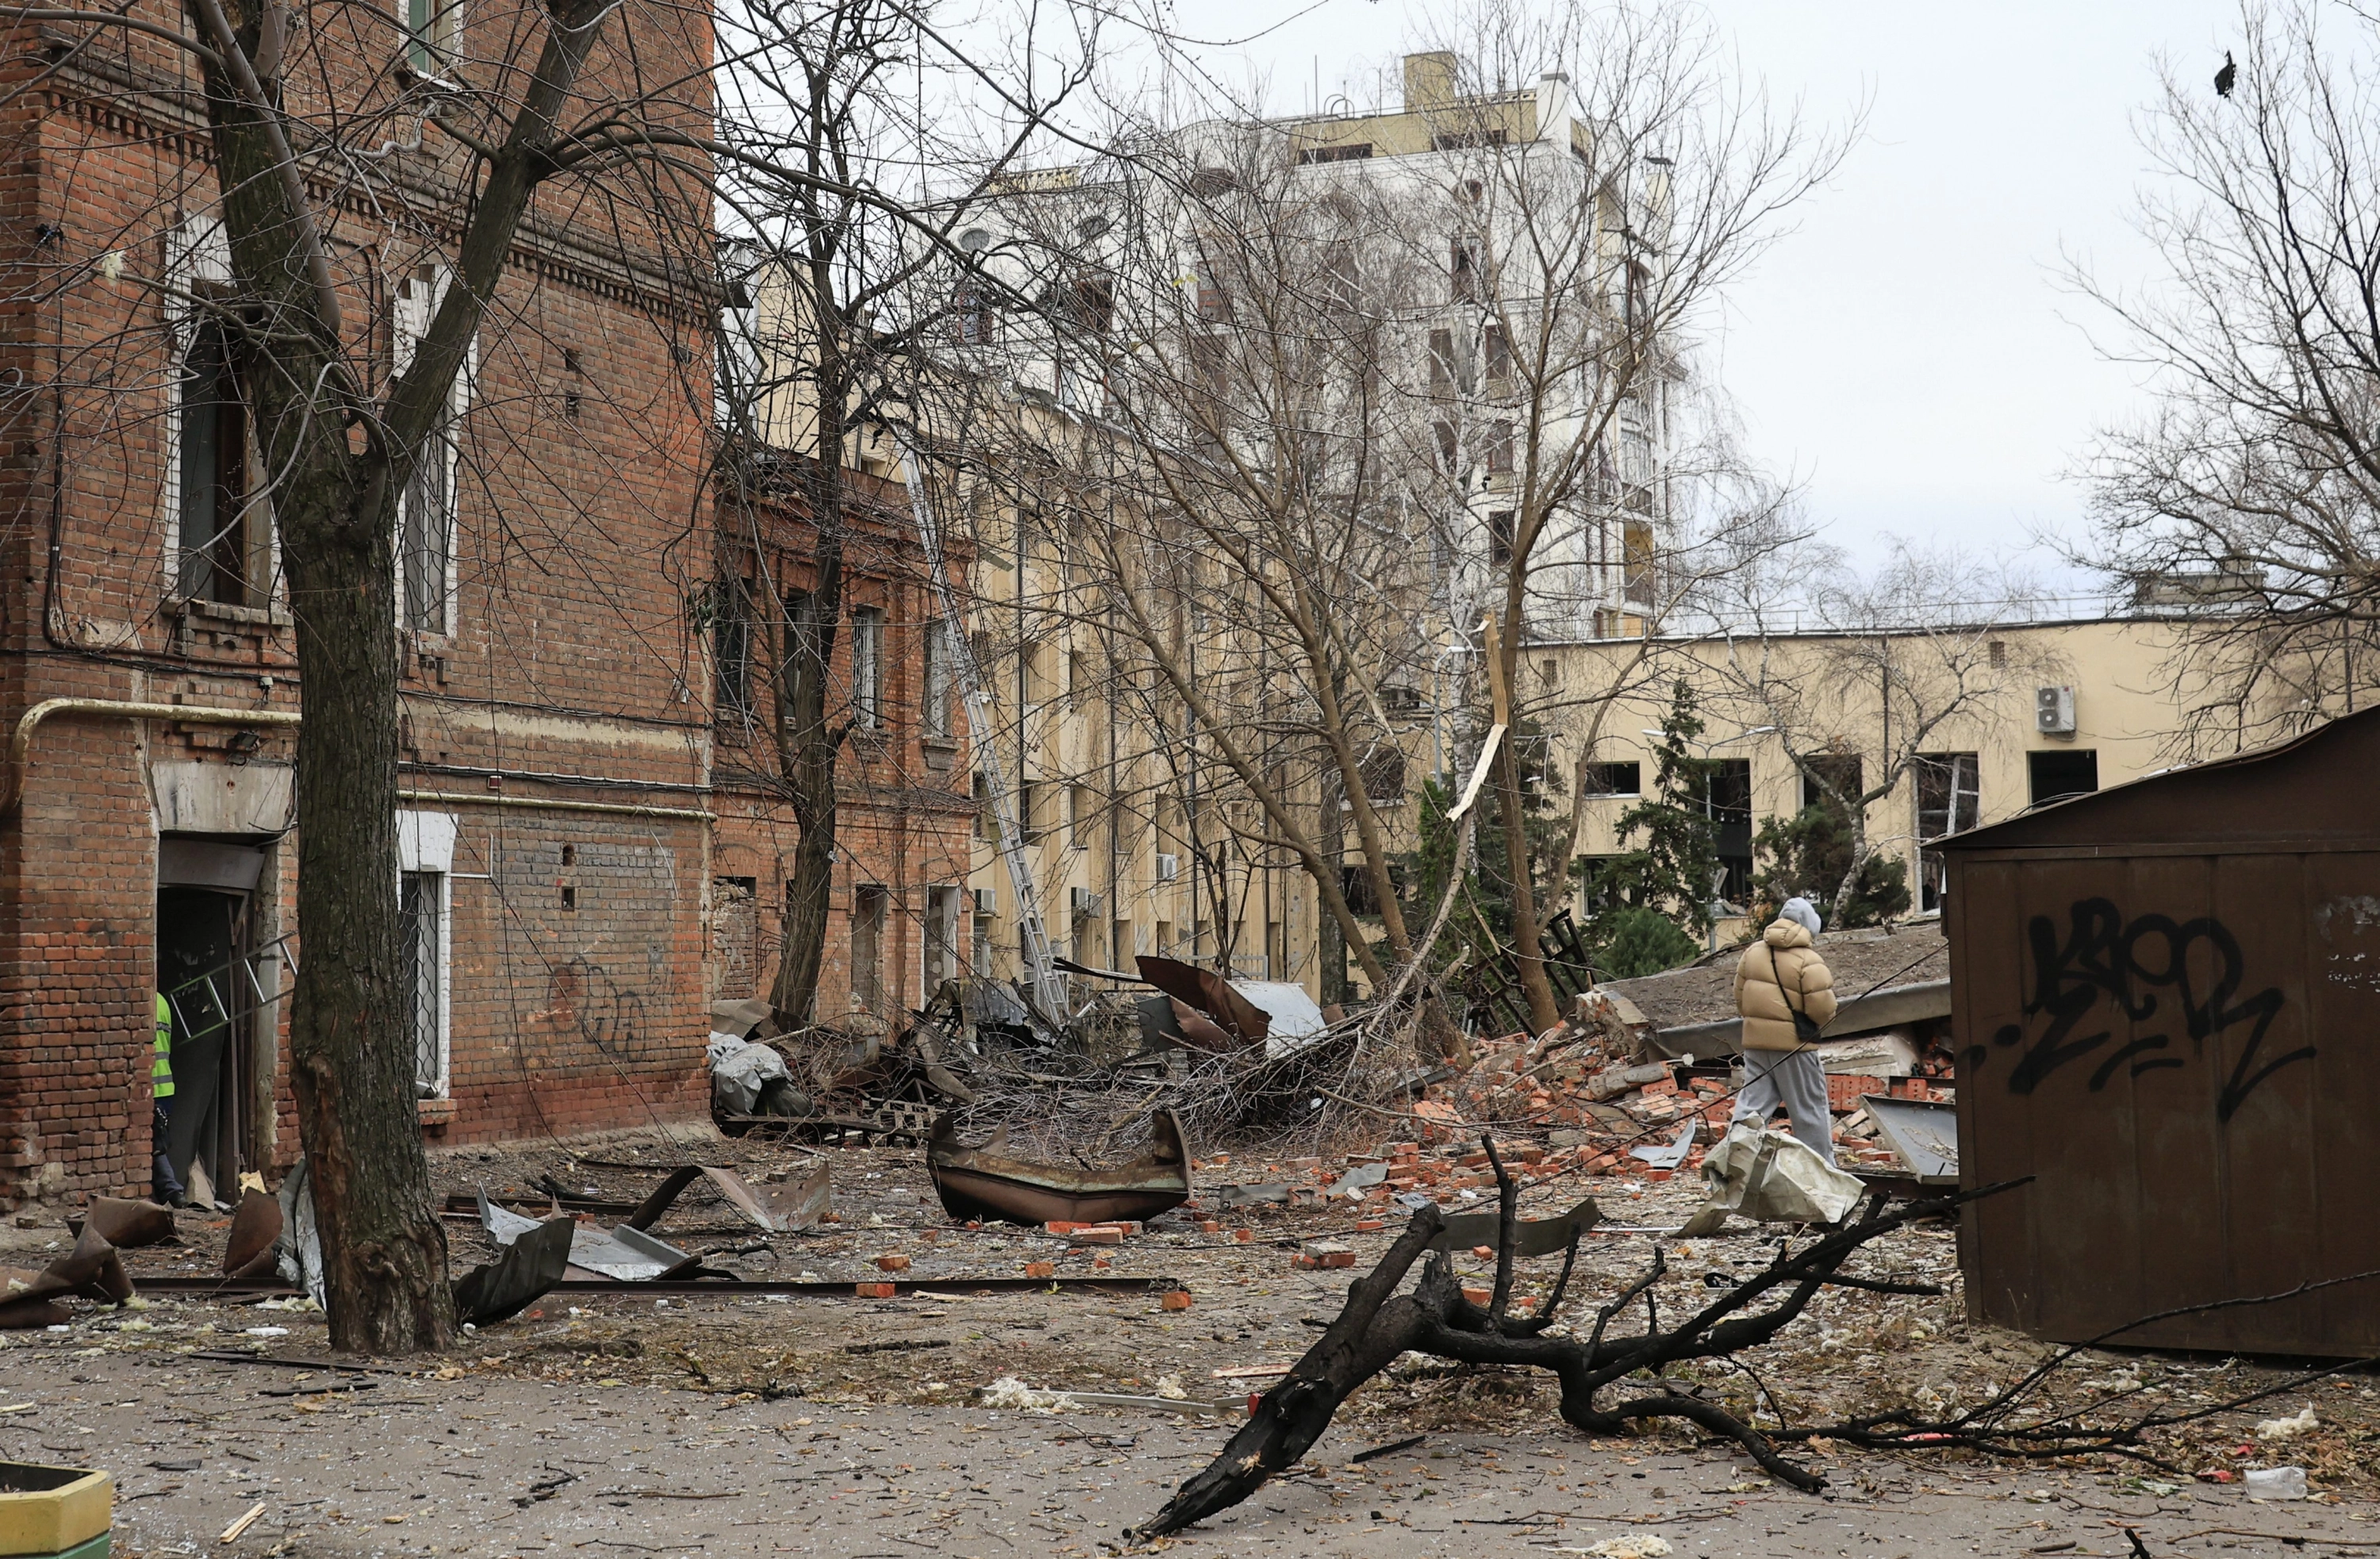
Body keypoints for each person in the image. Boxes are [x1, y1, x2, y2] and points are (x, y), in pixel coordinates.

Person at [1730, 896, 1841, 1165]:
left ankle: (1731, 1167)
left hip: (1756, 1045)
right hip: (1795, 1048)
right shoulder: (1808, 959)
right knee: (1809, 1111)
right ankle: (1821, 1174)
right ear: (1809, 925)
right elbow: (1822, 1009)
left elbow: (1739, 997)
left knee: (1751, 1109)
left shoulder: (1753, 952)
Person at [152, 990, 185, 1205]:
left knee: (152, 1144)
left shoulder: (141, 999)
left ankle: (171, 1191)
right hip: (166, 1086)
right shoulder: (162, 1001)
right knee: (156, 1141)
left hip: (150, 1086)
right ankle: (170, 1191)